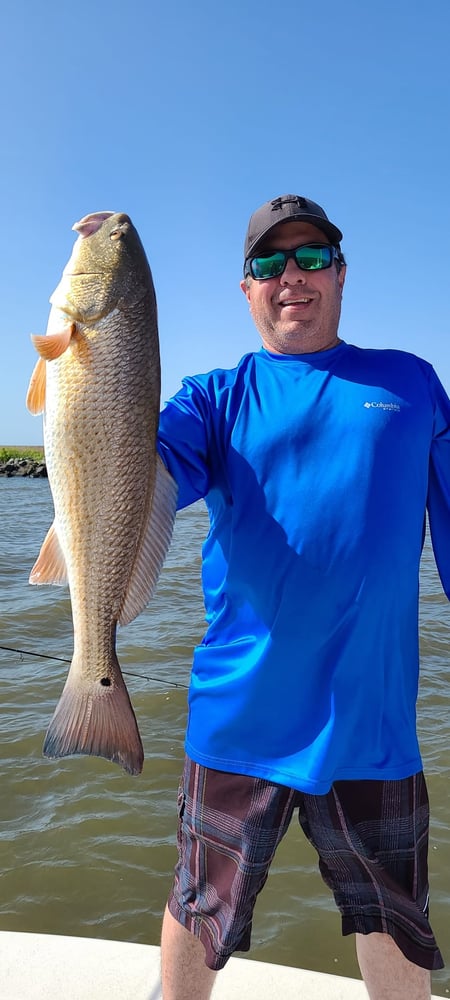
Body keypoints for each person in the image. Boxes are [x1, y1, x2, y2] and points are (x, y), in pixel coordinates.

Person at [156, 194, 448, 999]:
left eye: (312, 257)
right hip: (239, 719)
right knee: (197, 902)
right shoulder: (211, 399)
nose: (292, 275)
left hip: (372, 723)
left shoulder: (411, 383)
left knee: (397, 918)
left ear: (341, 274)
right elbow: (135, 480)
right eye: (269, 262)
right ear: (246, 288)